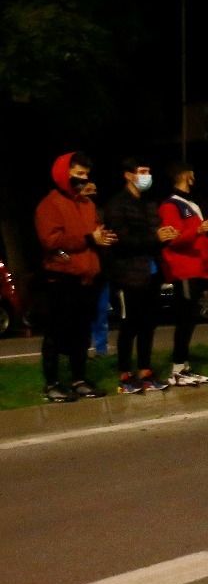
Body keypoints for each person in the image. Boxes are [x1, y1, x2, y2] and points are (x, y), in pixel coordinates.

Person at [35, 152, 114, 402]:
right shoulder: (50, 204)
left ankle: (78, 379)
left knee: (81, 333)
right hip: (62, 278)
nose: (84, 179)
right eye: (78, 173)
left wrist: (102, 239)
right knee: (57, 333)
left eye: (86, 174)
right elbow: (51, 240)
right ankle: (52, 383)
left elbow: (94, 235)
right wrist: (90, 239)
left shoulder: (87, 204)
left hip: (87, 279)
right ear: (63, 173)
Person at [103, 157, 176, 394]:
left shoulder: (148, 202)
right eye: (142, 171)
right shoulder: (117, 204)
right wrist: (155, 237)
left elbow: (154, 231)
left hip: (152, 270)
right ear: (128, 175)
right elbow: (121, 241)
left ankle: (145, 371)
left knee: (148, 324)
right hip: (129, 273)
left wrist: (165, 234)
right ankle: (125, 374)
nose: (147, 176)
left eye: (148, 171)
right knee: (130, 324)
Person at [159, 162, 208, 387]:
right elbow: (173, 240)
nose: (195, 176)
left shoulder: (190, 204)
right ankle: (177, 369)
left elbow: (199, 241)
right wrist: (197, 230)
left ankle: (183, 367)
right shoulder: (170, 205)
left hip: (197, 269)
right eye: (192, 172)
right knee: (185, 320)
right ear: (185, 175)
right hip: (184, 270)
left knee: (191, 319)